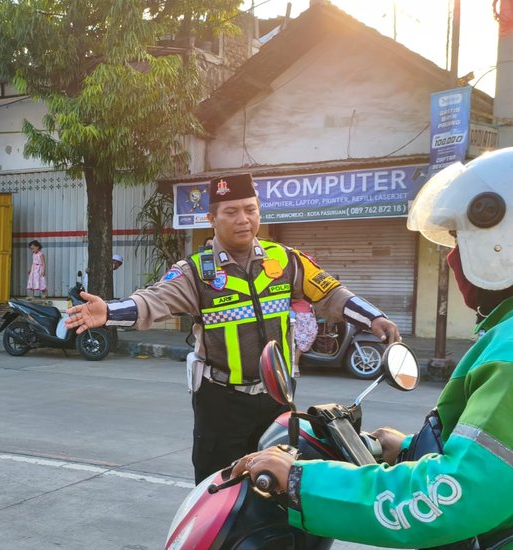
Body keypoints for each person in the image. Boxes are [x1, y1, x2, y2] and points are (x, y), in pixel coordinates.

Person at [233, 149, 513, 550]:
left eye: (457, 242)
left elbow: (457, 497)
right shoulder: (502, 335)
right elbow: (493, 464)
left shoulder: (511, 350)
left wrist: (302, 484)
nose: (451, 259)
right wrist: (408, 450)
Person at [66, 173, 400, 484]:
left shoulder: (283, 259)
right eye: (231, 212)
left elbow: (329, 292)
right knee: (219, 487)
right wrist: (108, 311)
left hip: (277, 399)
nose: (243, 219)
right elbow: (153, 301)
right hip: (221, 403)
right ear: (211, 219)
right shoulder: (196, 272)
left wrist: (373, 317)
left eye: (250, 209)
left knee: (280, 485)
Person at [289, 297, 317, 377]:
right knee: (302, 341)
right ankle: (295, 367)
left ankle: (295, 366)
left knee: (305, 339)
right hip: (300, 316)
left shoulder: (306, 292)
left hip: (308, 316)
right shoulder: (296, 293)